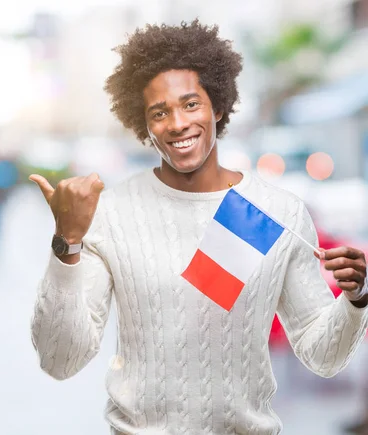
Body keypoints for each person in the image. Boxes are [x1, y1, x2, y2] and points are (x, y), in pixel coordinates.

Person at [28, 20, 368, 435]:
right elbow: (60, 359)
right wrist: (67, 242)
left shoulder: (275, 212)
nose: (177, 123)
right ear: (144, 123)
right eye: (159, 112)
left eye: (191, 104)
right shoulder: (113, 213)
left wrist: (355, 299)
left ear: (218, 106)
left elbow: (323, 356)